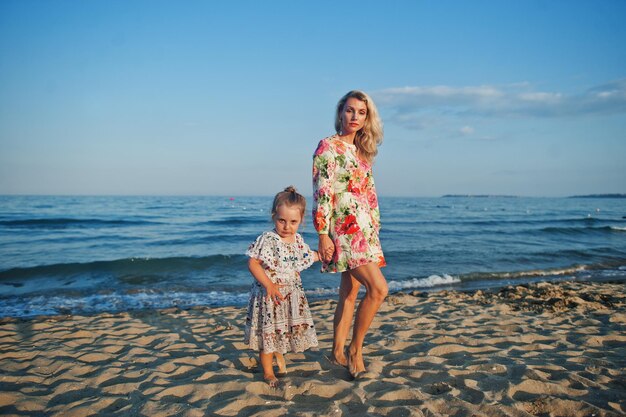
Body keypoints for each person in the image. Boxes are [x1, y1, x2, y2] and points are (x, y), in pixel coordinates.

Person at [312, 90, 388, 379]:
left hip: (365, 229)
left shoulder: (362, 151)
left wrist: (375, 228)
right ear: (340, 112)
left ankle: (336, 352)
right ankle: (356, 350)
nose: (355, 117)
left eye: (361, 112)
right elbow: (322, 192)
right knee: (379, 289)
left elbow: (370, 194)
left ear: (367, 118)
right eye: (350, 110)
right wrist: (322, 233)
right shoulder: (327, 147)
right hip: (344, 229)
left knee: (351, 291)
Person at [244, 186, 320, 387]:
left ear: (301, 220)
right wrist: (268, 284)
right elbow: (253, 263)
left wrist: (323, 255)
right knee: (268, 335)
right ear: (273, 216)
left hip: (290, 295)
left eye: (293, 222)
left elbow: (307, 256)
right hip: (269, 296)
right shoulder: (268, 239)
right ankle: (268, 372)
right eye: (281, 220)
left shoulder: (298, 241)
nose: (287, 226)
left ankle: (280, 356)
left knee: (282, 332)